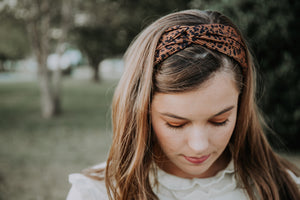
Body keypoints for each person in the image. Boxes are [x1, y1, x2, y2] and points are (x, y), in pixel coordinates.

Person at [67, 9, 300, 200]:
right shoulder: (96, 194)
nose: (199, 146)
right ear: (141, 112)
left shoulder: (283, 188)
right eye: (175, 124)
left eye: (220, 121)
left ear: (242, 104)